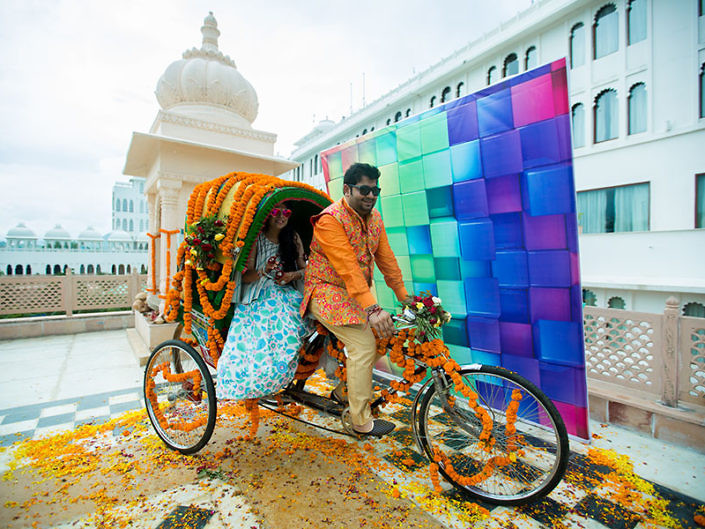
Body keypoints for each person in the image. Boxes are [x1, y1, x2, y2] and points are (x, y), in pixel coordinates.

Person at [301, 163, 410, 437]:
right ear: (347, 189)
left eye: (376, 190)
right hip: (324, 290)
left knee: (385, 333)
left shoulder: (375, 219)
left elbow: (387, 261)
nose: (371, 196)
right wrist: (372, 308)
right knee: (363, 344)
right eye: (365, 190)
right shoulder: (330, 220)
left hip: (351, 293)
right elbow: (347, 267)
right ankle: (360, 421)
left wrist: (406, 299)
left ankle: (344, 391)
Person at [217, 202, 310, 401]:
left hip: (285, 291)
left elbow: (306, 270)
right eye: (276, 211)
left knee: (293, 328)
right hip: (258, 293)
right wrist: (264, 271)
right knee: (259, 339)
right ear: (267, 215)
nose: (281, 216)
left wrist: (291, 275)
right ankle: (259, 383)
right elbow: (248, 276)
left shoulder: (293, 238)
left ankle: (280, 378)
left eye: (286, 211)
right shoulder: (257, 239)